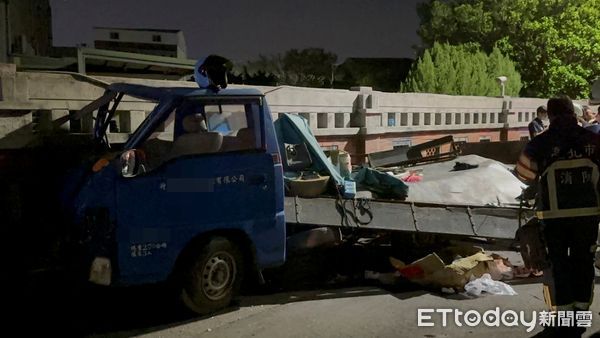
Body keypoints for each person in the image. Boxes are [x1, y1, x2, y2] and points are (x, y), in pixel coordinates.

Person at [516, 96, 600, 337]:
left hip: (554, 216)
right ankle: (580, 313)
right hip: (588, 214)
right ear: (573, 113)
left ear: (550, 116)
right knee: (584, 262)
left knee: (560, 264)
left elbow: (523, 173)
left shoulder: (541, 142)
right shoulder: (593, 139)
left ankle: (563, 317)